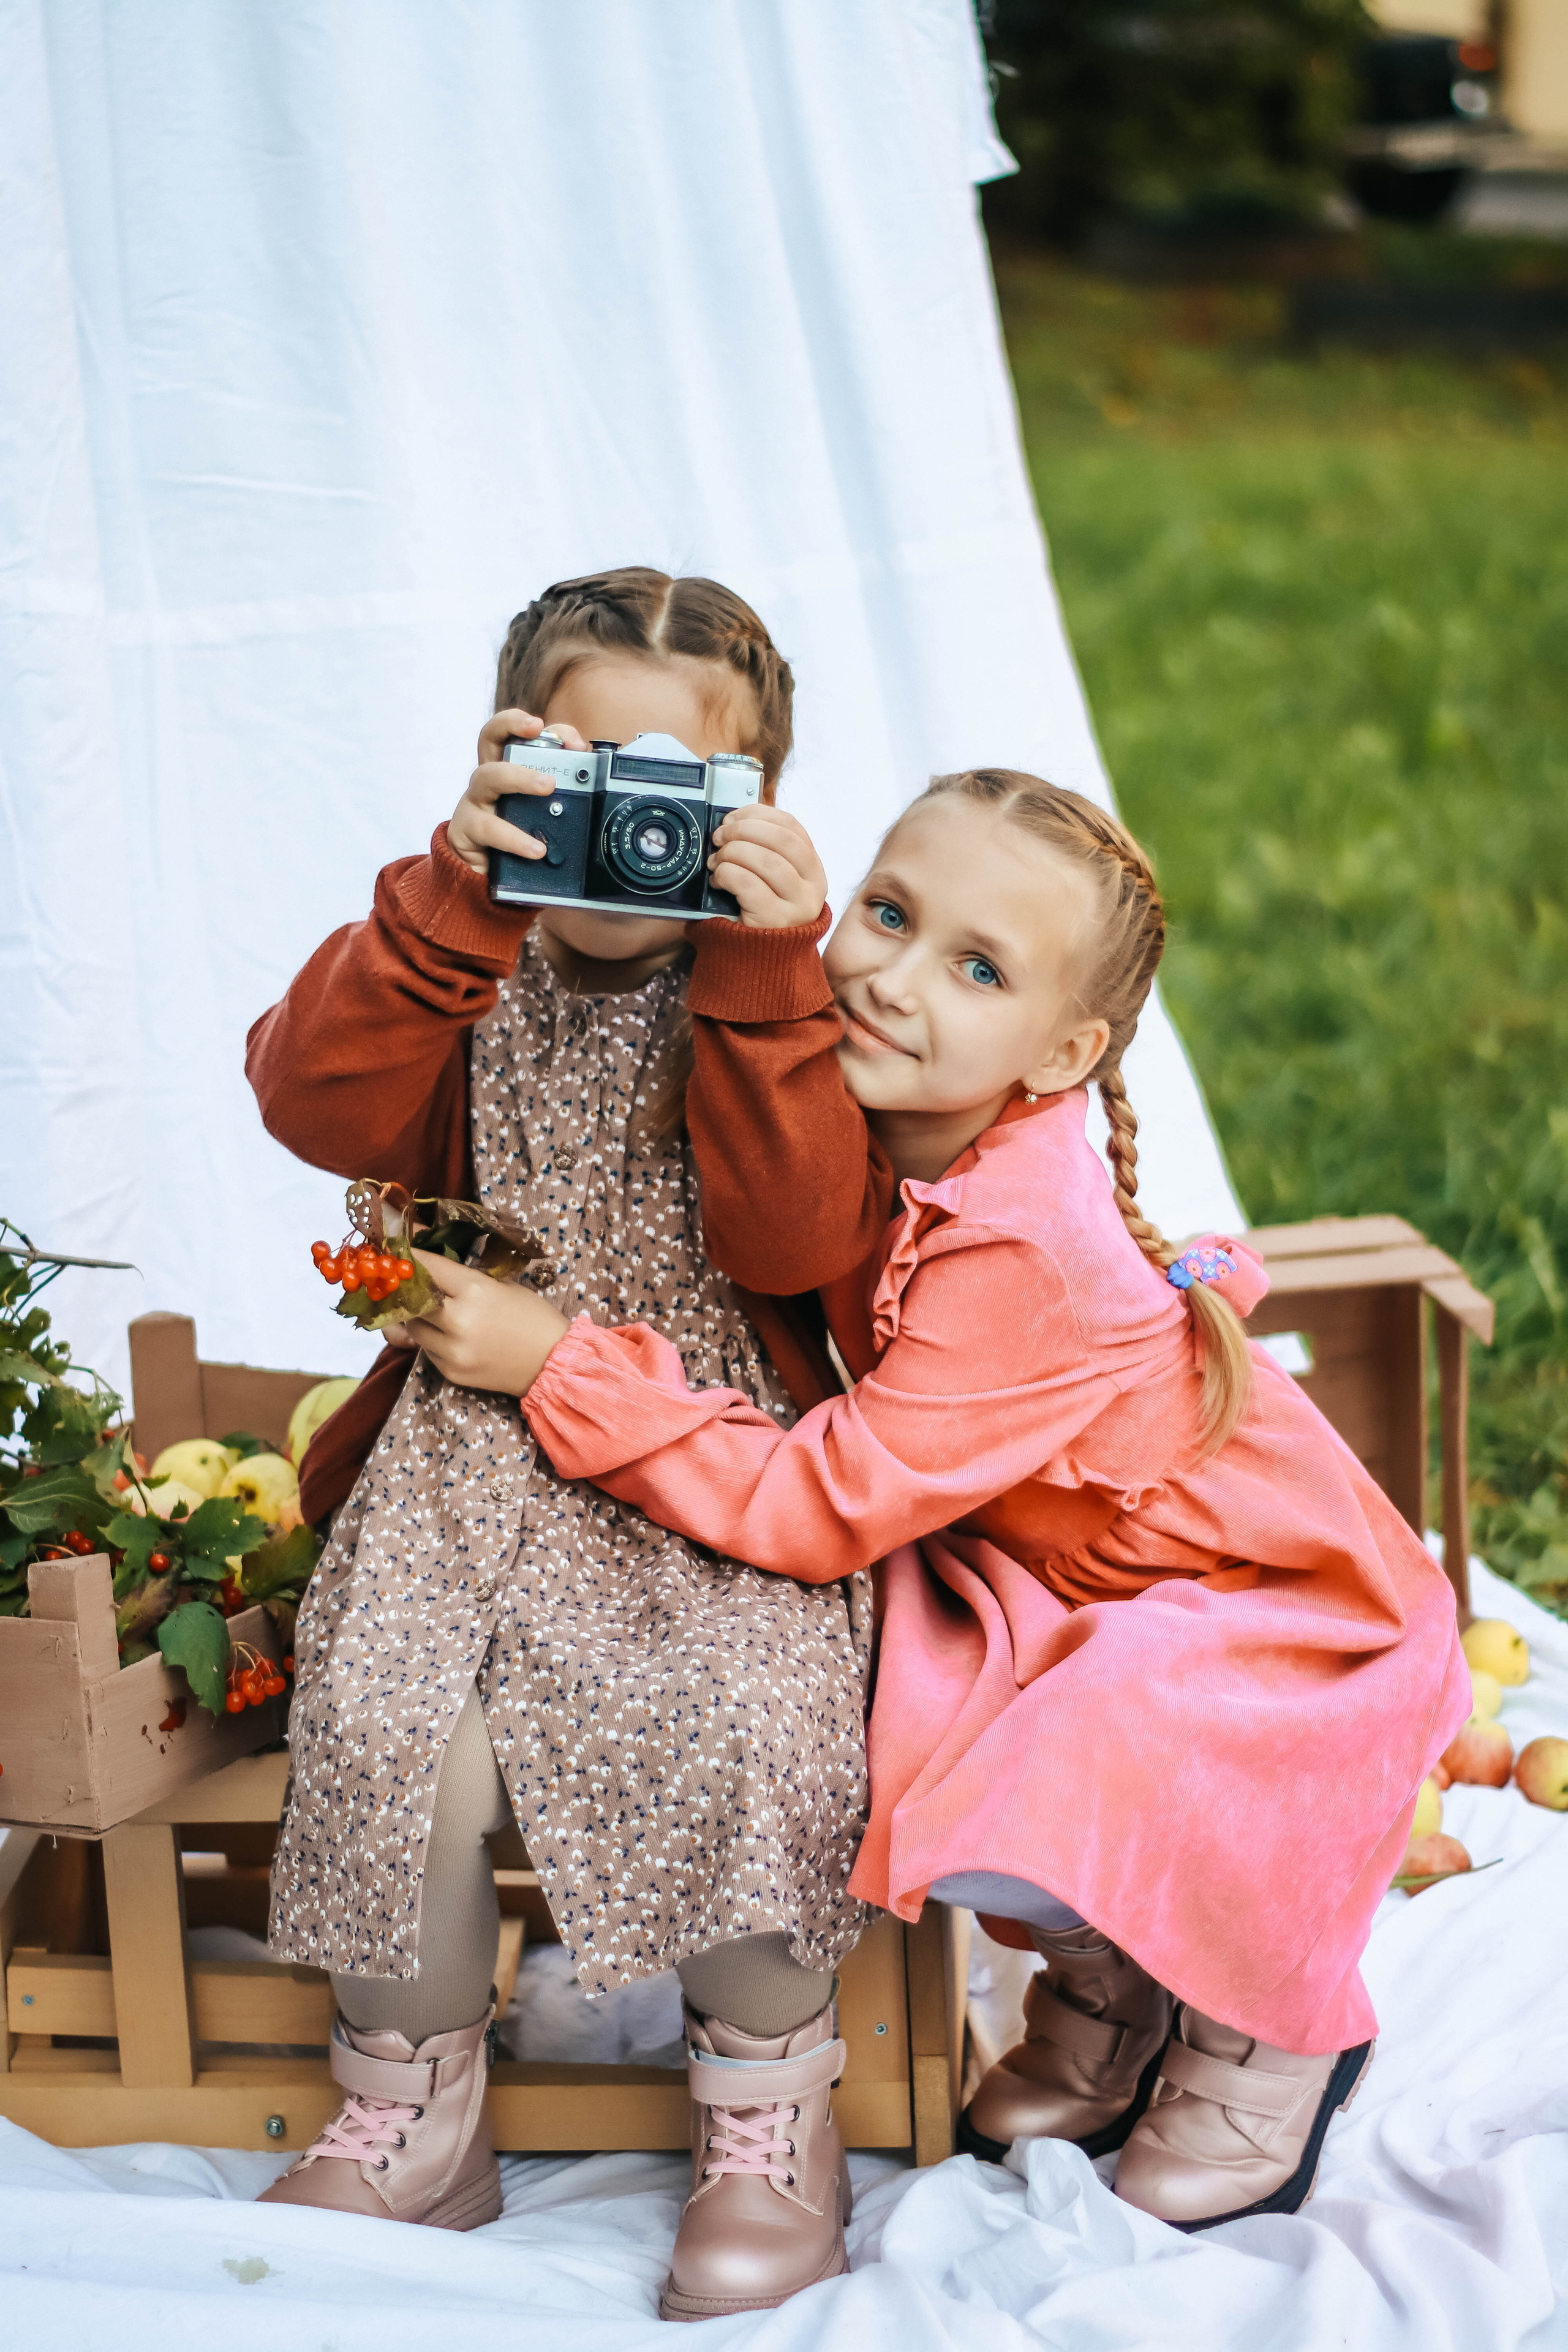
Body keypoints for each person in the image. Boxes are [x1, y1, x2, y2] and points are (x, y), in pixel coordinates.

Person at [440, 765, 1472, 2233]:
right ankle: (1115, 1978)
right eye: (886, 912)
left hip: (1266, 1613)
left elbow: (822, 1500)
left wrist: (566, 1369)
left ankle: (1273, 2011)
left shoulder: (1027, 1247)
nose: (889, 977)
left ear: (1059, 1053)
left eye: (973, 967)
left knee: (1054, 1754)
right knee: (916, 1712)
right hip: (1058, 1566)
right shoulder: (881, 1111)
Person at [244, 568, 873, 2320]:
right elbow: (309, 1100)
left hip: (704, 1447)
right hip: (466, 1447)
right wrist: (459, 888)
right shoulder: (456, 948)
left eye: (677, 792)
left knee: (750, 1703)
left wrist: (765, 969)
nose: (628, 832)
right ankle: (413, 2109)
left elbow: (798, 1246)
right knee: (390, 1703)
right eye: (586, 768)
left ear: (752, 809)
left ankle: (766, 2107)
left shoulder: (780, 994)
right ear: (509, 753)